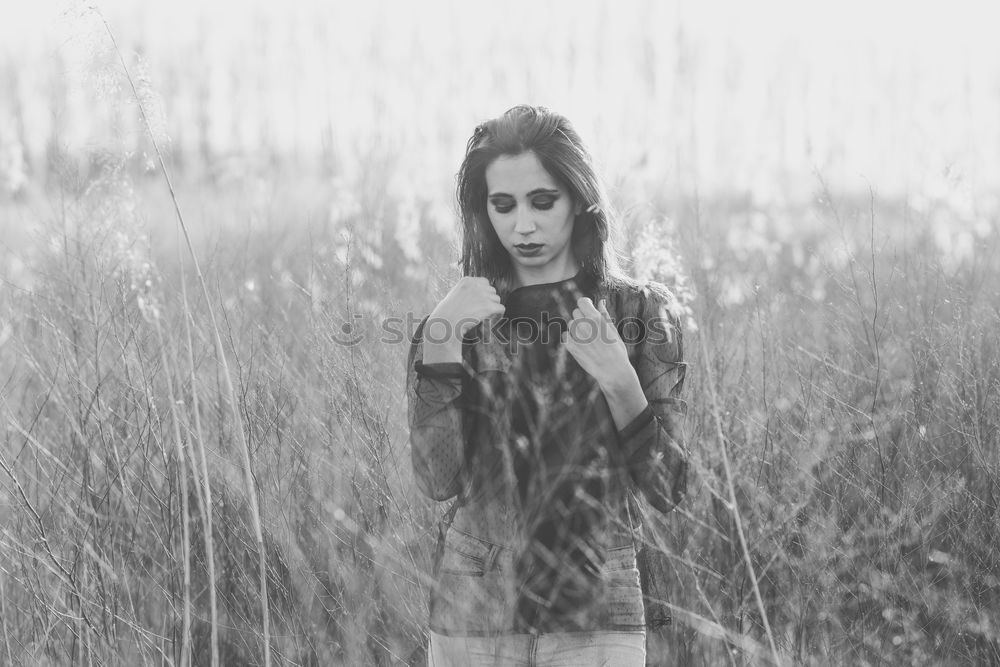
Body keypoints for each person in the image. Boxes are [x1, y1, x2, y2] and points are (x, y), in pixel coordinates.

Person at [406, 104, 689, 666]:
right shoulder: (455, 319)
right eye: (503, 205)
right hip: (473, 617)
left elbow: (669, 487)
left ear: (579, 200)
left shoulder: (638, 312)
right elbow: (437, 480)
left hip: (598, 620)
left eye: (542, 201)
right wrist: (439, 343)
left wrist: (620, 382)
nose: (523, 226)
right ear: (483, 211)